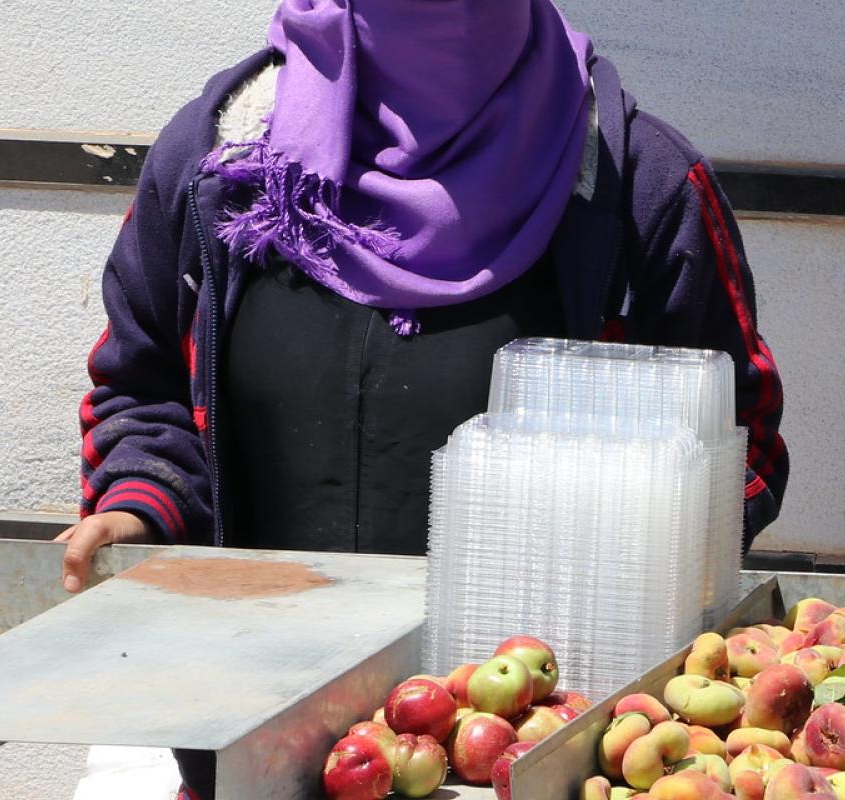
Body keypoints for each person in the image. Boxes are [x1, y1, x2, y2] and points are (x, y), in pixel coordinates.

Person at [59, 0, 788, 586]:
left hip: (532, 714)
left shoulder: (638, 189)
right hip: (249, 691)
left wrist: (641, 576)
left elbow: (736, 435)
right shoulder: (220, 164)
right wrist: (141, 505)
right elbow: (143, 385)